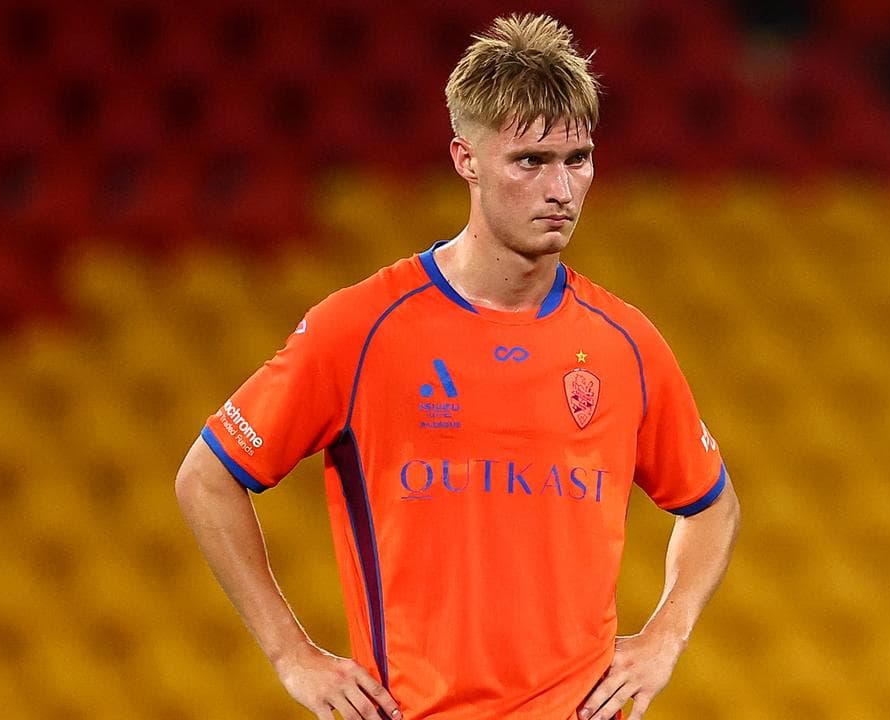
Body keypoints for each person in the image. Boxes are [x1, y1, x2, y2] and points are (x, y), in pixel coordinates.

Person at [176, 13, 740, 720]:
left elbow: (713, 502)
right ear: (465, 159)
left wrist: (665, 635)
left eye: (578, 158)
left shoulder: (625, 342)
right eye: (530, 161)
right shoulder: (362, 329)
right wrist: (293, 654)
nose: (562, 189)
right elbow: (207, 476)